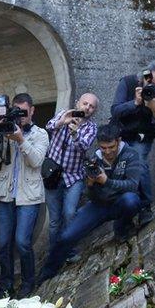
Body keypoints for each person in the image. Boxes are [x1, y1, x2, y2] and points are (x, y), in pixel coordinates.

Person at [38, 123, 143, 284]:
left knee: (131, 200)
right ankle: (46, 275)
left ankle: (122, 229)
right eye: (103, 148)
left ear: (118, 141)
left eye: (111, 147)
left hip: (120, 202)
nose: (107, 152)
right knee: (66, 236)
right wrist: (91, 185)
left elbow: (132, 185)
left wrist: (106, 181)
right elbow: (92, 196)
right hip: (99, 205)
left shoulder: (130, 155)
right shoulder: (95, 160)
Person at [0, 93, 48, 298]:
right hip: (6, 195)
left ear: (32, 111)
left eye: (24, 112)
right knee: (3, 243)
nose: (20, 116)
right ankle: (6, 286)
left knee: (22, 242)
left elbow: (36, 160)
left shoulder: (40, 134)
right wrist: (3, 134)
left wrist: (21, 139)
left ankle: (28, 282)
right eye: (17, 111)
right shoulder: (6, 129)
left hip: (29, 197)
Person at [110, 64, 155, 226]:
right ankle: (125, 220)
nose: (153, 89)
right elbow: (115, 111)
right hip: (121, 135)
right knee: (120, 173)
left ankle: (145, 207)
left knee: (138, 162)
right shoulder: (128, 83)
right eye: (150, 84)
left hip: (143, 136)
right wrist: (135, 102)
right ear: (142, 79)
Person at [44, 93, 99, 262]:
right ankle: (54, 254)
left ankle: (70, 251)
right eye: (85, 103)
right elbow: (49, 126)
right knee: (54, 221)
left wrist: (75, 133)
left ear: (94, 111)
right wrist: (63, 121)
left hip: (73, 177)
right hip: (53, 175)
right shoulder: (64, 113)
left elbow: (84, 146)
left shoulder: (91, 128)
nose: (87, 108)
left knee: (70, 213)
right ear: (78, 103)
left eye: (91, 106)